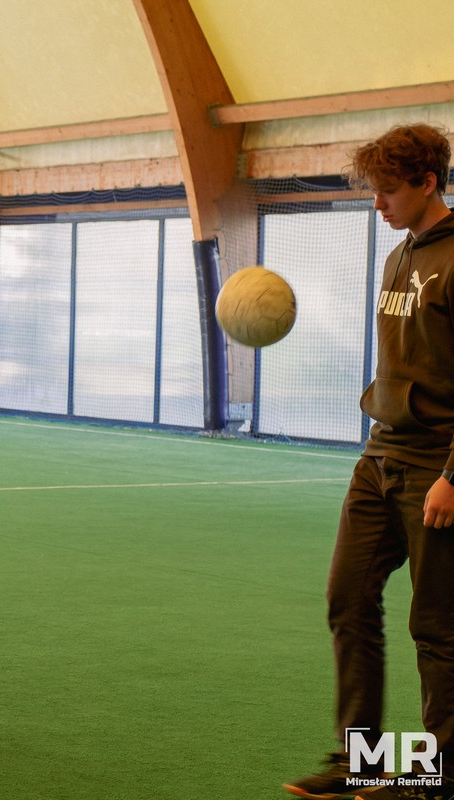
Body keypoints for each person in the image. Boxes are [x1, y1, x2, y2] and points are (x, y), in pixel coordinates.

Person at [285, 123, 454, 800]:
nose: (377, 203)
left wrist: (452, 475)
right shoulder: (398, 255)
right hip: (381, 454)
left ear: (428, 183)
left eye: (388, 190)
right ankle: (363, 761)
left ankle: (440, 776)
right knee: (348, 599)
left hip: (437, 464)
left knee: (437, 626)